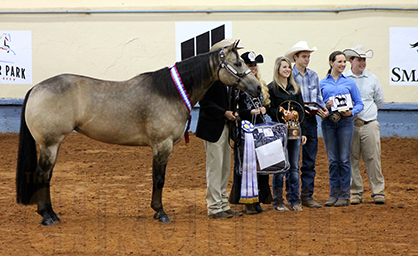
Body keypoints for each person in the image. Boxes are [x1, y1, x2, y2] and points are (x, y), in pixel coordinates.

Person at [195, 38, 244, 219]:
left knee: (224, 167)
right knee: (215, 167)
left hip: (225, 125)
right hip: (214, 125)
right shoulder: (210, 77)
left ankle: (223, 203)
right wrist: (225, 113)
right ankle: (214, 207)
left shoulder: (228, 77)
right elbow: (204, 102)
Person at [285, 41, 329, 208]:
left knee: (309, 160)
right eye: (304, 56)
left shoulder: (313, 76)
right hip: (294, 121)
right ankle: (293, 196)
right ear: (295, 57)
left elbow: (317, 98)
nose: (307, 60)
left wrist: (323, 109)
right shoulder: (289, 76)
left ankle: (307, 195)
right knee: (293, 160)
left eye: (308, 57)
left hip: (310, 120)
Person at [229, 51, 273, 214]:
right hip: (245, 130)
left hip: (260, 129)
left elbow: (267, 104)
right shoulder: (238, 87)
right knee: (246, 165)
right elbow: (236, 110)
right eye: (250, 65)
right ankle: (248, 200)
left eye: (254, 65)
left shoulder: (260, 84)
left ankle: (259, 198)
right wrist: (250, 113)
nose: (253, 68)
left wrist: (264, 109)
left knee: (260, 164)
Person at [320, 51, 364, 207]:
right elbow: (317, 104)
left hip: (345, 122)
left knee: (344, 159)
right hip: (328, 122)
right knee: (333, 160)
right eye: (340, 61)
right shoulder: (322, 83)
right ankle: (334, 194)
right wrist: (325, 106)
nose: (343, 64)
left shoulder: (350, 83)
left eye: (344, 62)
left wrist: (350, 112)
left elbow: (359, 103)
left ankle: (344, 195)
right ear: (331, 63)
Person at [343, 45, 386, 205]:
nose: (362, 63)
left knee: (373, 158)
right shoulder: (344, 79)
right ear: (351, 61)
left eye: (364, 60)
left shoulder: (372, 79)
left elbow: (379, 100)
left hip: (369, 124)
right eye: (359, 59)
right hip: (350, 125)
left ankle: (378, 191)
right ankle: (355, 192)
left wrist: (369, 113)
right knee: (352, 158)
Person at [266, 56, 307, 212]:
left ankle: (294, 199)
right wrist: (280, 114)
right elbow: (269, 109)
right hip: (278, 130)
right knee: (279, 166)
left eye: (289, 67)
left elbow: (301, 110)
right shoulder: (272, 88)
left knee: (294, 166)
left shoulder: (295, 88)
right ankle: (277, 200)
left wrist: (304, 131)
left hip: (295, 130)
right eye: (284, 67)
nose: (287, 70)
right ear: (278, 69)